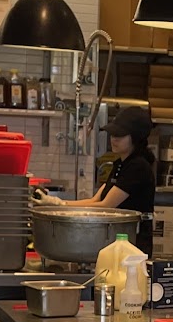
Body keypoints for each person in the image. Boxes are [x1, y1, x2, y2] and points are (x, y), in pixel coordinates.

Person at [46, 106, 156, 248]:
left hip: (133, 243)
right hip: (118, 240)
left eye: (120, 135)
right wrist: (55, 203)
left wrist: (59, 207)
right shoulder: (120, 164)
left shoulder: (138, 166)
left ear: (136, 137)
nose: (114, 139)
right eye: (112, 134)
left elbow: (106, 206)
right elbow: (96, 200)